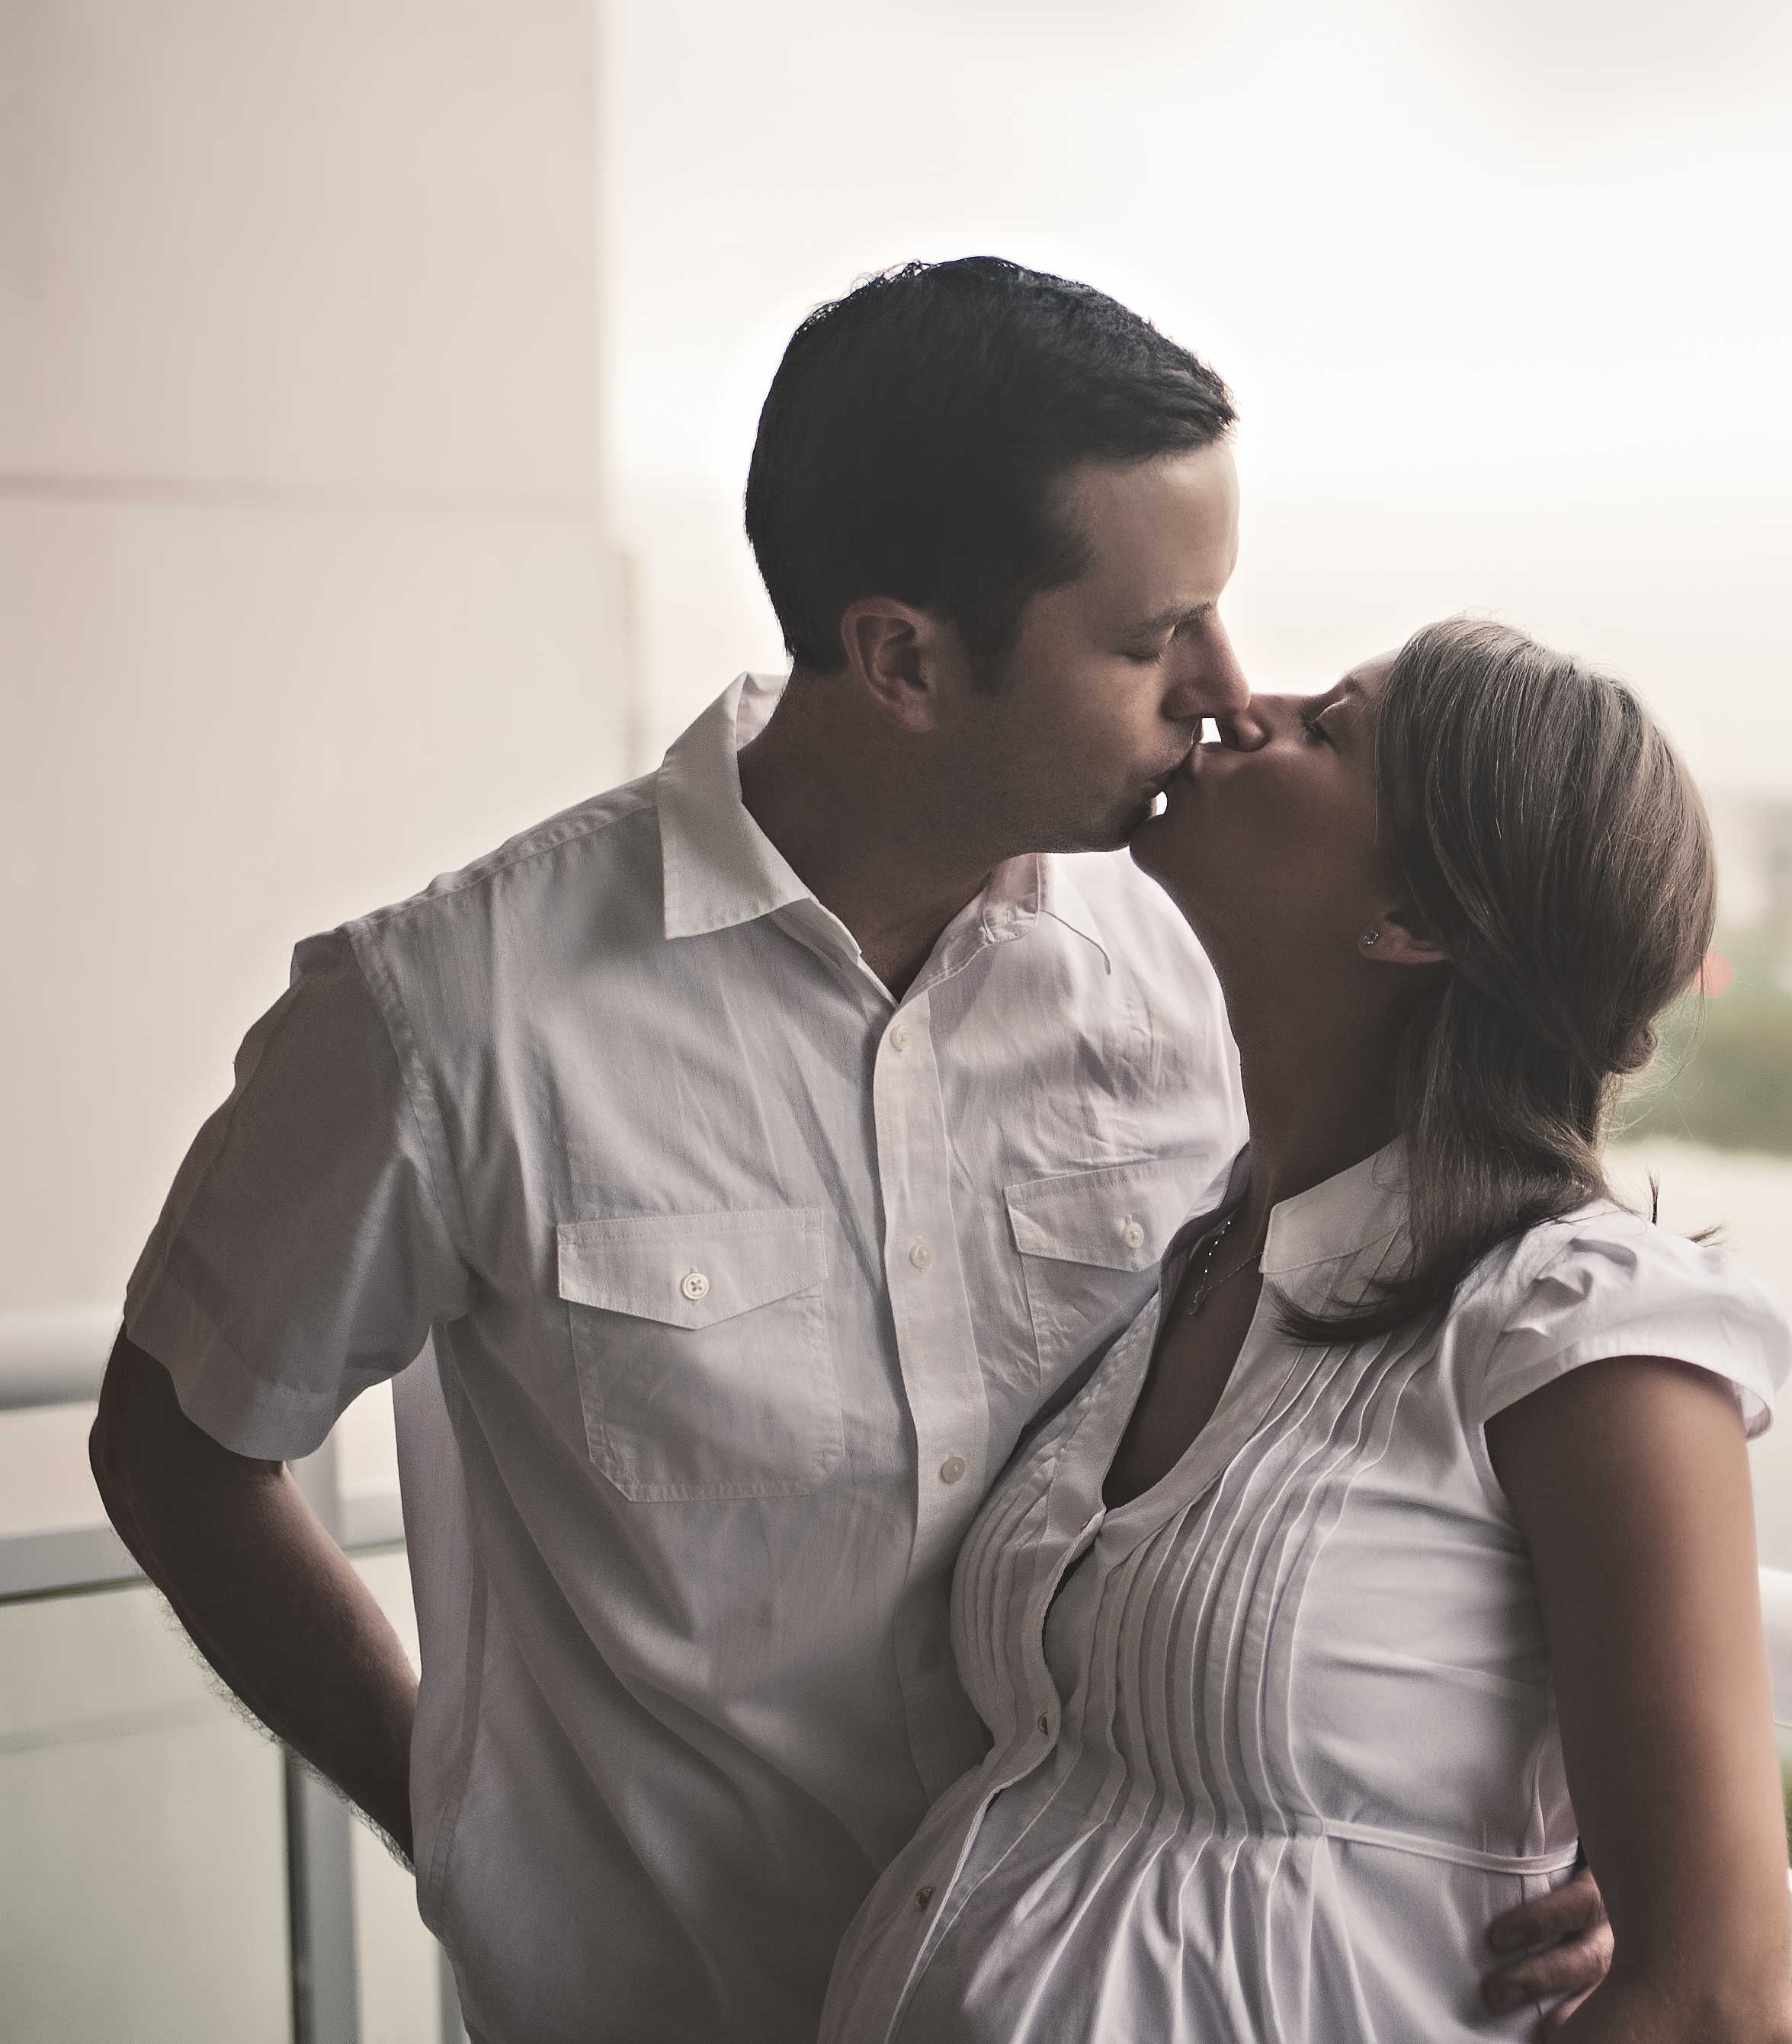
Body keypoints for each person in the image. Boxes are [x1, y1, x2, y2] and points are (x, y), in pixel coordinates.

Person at [85, 260, 1609, 2042]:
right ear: (901, 656)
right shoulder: (447, 1016)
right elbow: (174, 1446)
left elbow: (1393, 1388)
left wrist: (1553, 1802)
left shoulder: (1200, 980)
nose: (1220, 688)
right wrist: (449, 1824)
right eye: (1146, 639)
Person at [816, 619, 1792, 2044]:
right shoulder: (1201, 1243)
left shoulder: (1587, 1329)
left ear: (1414, 922)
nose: (1239, 708)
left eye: (1331, 727)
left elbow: (1711, 1998)